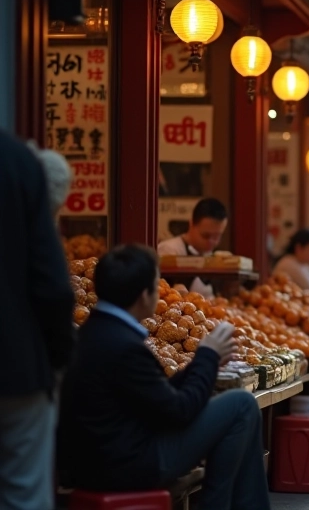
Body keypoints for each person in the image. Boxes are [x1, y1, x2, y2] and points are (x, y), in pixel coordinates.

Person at [57, 245, 271, 509]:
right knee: (242, 405)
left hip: (99, 460)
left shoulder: (93, 332)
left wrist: (202, 364)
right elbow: (179, 411)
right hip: (126, 464)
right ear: (144, 294)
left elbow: (156, 397)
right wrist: (207, 358)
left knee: (236, 410)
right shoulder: (123, 345)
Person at [0, 132, 75, 510]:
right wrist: (58, 359)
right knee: (23, 495)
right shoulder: (17, 162)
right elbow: (53, 288)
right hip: (15, 367)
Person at [157, 197, 230, 298]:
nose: (211, 242)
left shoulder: (211, 255)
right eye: (206, 236)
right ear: (191, 224)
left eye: (217, 236)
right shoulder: (170, 250)